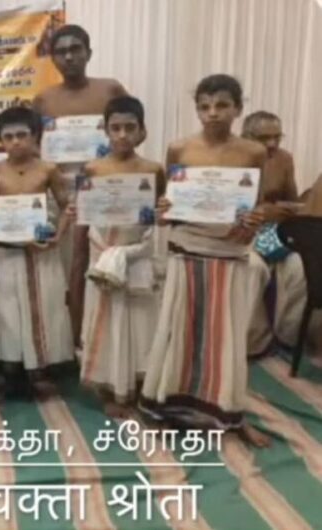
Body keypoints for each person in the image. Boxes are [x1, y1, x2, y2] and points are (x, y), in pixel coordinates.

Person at [140, 74, 271, 448]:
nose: (213, 113)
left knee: (226, 333)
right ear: (196, 109)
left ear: (238, 108)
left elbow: (256, 202)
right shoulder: (180, 148)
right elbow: (169, 206)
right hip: (187, 247)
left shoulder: (253, 152)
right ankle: (164, 407)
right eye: (204, 106)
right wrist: (162, 211)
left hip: (229, 251)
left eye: (222, 105)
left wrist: (254, 219)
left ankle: (229, 412)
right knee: (178, 326)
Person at [33, 24, 128, 347]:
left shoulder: (110, 90)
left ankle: (105, 340)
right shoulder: (44, 99)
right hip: (61, 193)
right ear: (53, 58)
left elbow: (131, 131)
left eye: (76, 49)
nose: (69, 57)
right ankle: (72, 341)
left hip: (105, 189)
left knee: (103, 264)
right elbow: (35, 148)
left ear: (89, 53)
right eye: (61, 52)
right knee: (68, 268)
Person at [75, 96, 165, 417]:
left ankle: (139, 385)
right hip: (103, 253)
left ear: (142, 130)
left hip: (137, 250)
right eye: (116, 128)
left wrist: (163, 213)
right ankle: (109, 387)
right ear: (106, 130)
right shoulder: (93, 168)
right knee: (105, 320)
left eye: (130, 127)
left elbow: (162, 210)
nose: (123, 135)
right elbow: (85, 214)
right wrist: (76, 209)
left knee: (141, 322)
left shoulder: (153, 169)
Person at [0, 106, 74, 400]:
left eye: (22, 135)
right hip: (8, 253)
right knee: (9, 311)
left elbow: (67, 207)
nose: (16, 142)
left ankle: (40, 370)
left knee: (44, 309)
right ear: (0, 140)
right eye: (8, 136)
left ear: (35, 136)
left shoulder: (48, 169)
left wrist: (58, 237)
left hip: (40, 250)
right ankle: (13, 372)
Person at [241, 111, 306, 356]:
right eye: (264, 138)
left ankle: (289, 334)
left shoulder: (284, 159)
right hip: (240, 233)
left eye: (277, 137)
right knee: (253, 268)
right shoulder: (234, 156)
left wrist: (289, 209)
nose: (272, 144)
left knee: (301, 266)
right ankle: (253, 343)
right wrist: (259, 211)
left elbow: (293, 200)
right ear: (246, 137)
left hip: (275, 232)